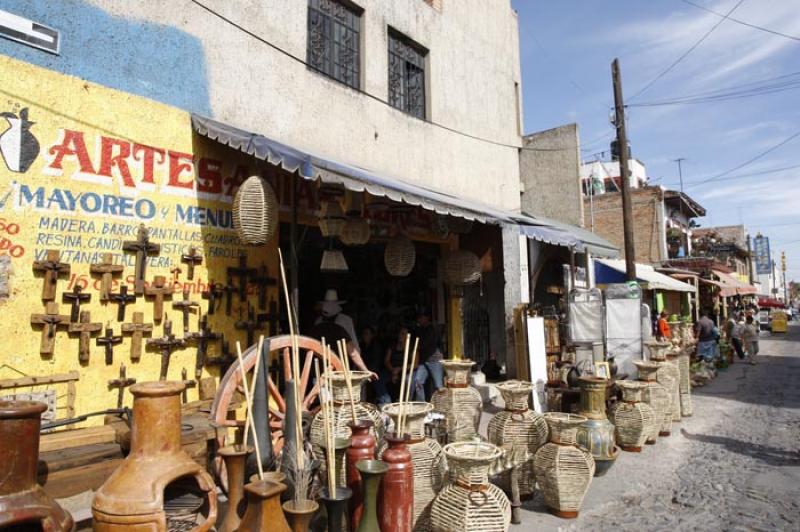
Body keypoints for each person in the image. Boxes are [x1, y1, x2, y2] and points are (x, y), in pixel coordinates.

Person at [309, 289, 374, 378]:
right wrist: (363, 369)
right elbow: (353, 349)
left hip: (322, 369)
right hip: (337, 368)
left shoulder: (319, 322)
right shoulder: (345, 321)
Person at [411, 309, 444, 401]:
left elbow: (424, 343)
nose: (419, 320)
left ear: (427, 318)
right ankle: (422, 406)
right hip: (424, 361)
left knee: (438, 386)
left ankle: (441, 408)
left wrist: (417, 346)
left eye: (421, 318)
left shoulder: (431, 329)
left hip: (435, 360)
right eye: (418, 318)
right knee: (418, 382)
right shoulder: (421, 329)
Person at [361, 327, 390, 406]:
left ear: (372, 335)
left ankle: (385, 402)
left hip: (377, 371)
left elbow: (375, 364)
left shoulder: (376, 346)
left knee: (363, 382)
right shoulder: (362, 346)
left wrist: (366, 373)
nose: (364, 336)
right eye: (363, 334)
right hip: (365, 371)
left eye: (367, 334)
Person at [384, 326, 411, 401]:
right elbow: (386, 361)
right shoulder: (392, 346)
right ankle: (390, 401)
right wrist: (393, 371)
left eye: (403, 334)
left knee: (407, 380)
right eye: (399, 333)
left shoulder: (411, 347)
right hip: (392, 370)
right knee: (387, 381)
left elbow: (414, 364)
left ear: (408, 336)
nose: (400, 335)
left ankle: (405, 401)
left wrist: (399, 369)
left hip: (406, 371)